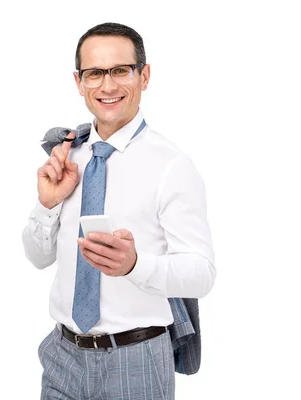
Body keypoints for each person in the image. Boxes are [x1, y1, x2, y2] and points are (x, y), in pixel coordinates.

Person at [22, 22, 216, 399]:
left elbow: (202, 274)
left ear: (144, 76)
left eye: (120, 71)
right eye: (95, 73)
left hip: (136, 359)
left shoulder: (171, 165)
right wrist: (47, 205)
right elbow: (37, 258)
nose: (107, 86)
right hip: (63, 356)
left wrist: (134, 265)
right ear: (79, 82)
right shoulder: (68, 155)